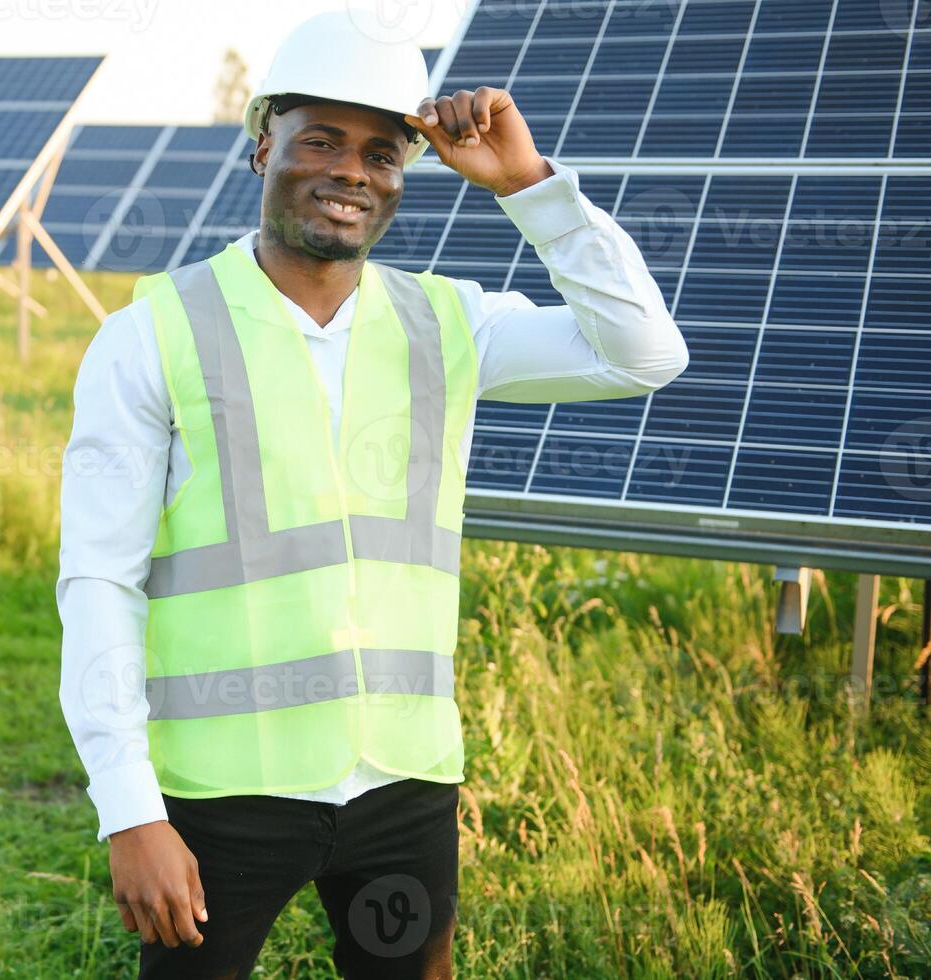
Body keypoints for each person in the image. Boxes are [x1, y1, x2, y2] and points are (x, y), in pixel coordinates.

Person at [57, 10, 689, 978]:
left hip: (406, 785)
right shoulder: (153, 335)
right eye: (321, 139)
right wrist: (130, 806)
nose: (351, 171)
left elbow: (645, 351)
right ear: (263, 140)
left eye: (381, 152)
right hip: (223, 796)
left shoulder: (449, 322)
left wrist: (528, 187)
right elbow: (99, 580)